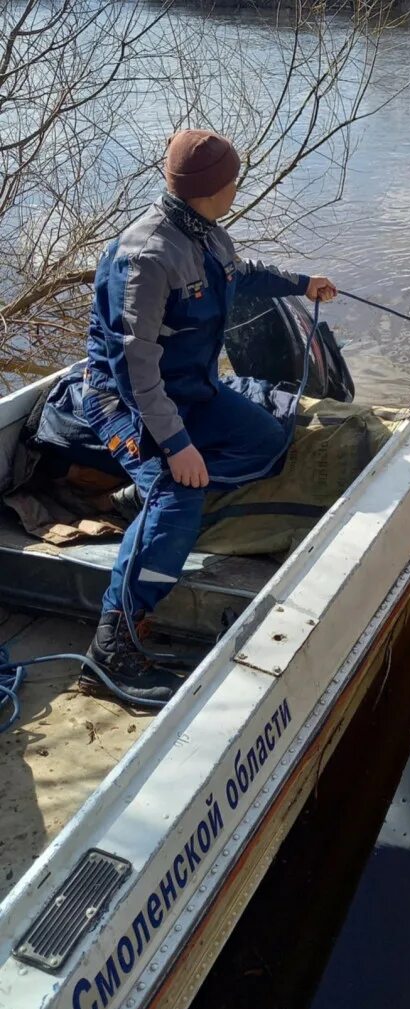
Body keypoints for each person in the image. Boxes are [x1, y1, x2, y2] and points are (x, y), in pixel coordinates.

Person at [80, 129, 337, 703]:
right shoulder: (146, 258)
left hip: (192, 389)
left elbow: (238, 273)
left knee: (267, 439)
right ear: (208, 189)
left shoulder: (202, 231)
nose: (237, 188)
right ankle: (111, 651)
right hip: (125, 400)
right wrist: (176, 447)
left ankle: (145, 494)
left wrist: (301, 283)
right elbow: (132, 368)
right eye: (231, 181)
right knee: (179, 498)